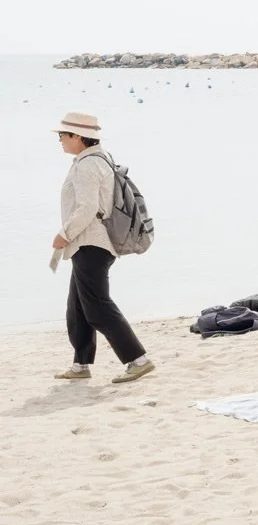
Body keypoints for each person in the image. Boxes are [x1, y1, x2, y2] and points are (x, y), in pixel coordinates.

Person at [51, 113, 154, 384]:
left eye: (62, 135)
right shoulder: (98, 159)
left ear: (78, 137)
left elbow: (87, 208)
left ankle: (138, 360)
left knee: (96, 307)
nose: (59, 140)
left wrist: (64, 234)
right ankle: (80, 364)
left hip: (91, 243)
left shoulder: (87, 166)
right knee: (77, 307)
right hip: (90, 244)